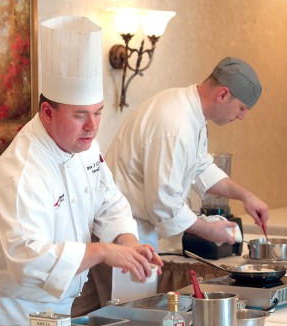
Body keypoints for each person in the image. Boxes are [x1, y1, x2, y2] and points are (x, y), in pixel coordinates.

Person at [0, 15, 162, 326]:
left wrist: (126, 242)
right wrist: (101, 251)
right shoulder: (22, 171)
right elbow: (28, 261)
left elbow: (110, 202)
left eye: (97, 113)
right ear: (48, 113)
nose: (92, 127)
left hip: (59, 305)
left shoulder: (84, 146)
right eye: (80, 115)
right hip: (8, 310)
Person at [106, 57, 268, 250]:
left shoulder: (191, 112)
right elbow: (165, 204)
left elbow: (201, 168)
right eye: (242, 108)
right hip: (120, 232)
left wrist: (245, 196)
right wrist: (208, 230)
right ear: (223, 94)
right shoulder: (175, 124)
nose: (241, 117)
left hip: (138, 229)